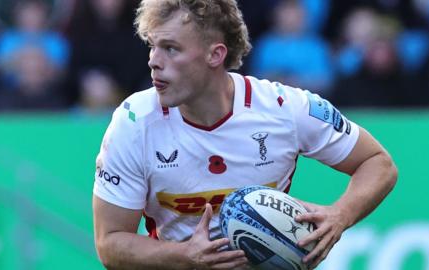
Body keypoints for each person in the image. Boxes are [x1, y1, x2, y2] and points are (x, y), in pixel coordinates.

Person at [92, 0, 398, 269]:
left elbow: (377, 163)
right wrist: (185, 256)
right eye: (152, 46)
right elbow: (110, 243)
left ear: (215, 55)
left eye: (171, 48)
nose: (154, 61)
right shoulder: (134, 122)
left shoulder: (284, 108)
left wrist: (340, 215)